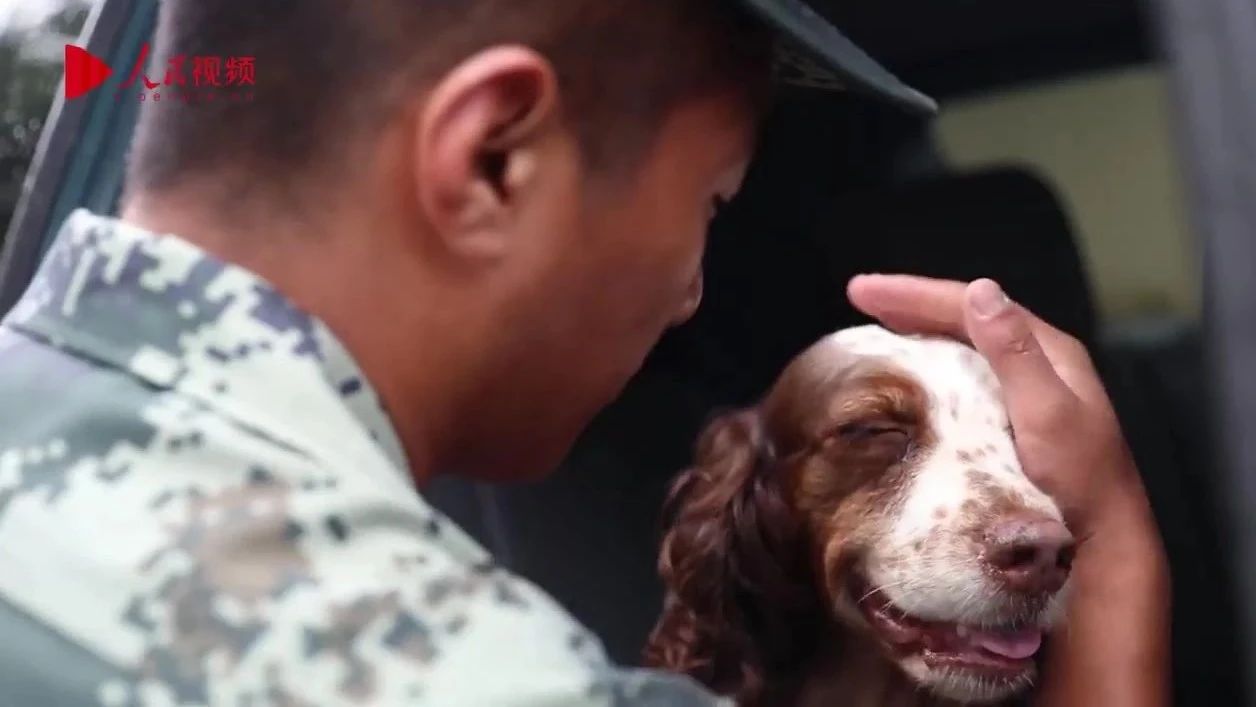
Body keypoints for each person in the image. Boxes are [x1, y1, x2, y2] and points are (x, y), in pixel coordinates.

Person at [0, 0, 1167, 705]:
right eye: (710, 208)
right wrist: (1107, 540)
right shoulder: (466, 675)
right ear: (496, 158)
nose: (691, 294)